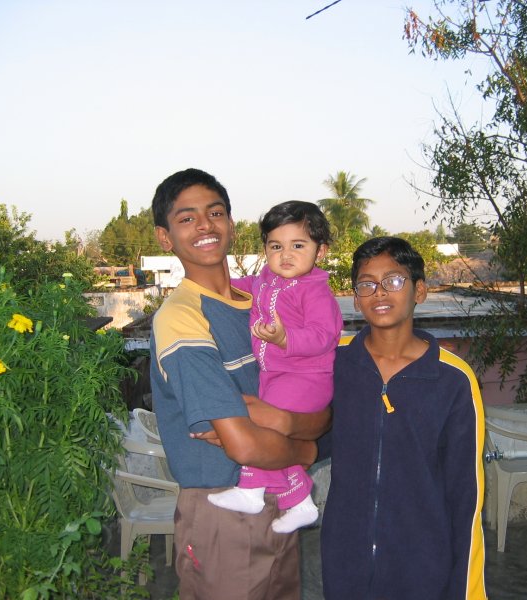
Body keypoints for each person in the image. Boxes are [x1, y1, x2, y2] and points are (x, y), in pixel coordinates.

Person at [149, 168, 330, 600]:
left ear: (231, 224)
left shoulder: (264, 304)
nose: (204, 225)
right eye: (187, 218)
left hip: (280, 504)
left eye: (215, 213)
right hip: (223, 509)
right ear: (165, 237)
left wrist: (282, 420)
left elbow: (322, 406)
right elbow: (244, 445)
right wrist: (307, 450)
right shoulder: (182, 317)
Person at [320, 236, 488, 600]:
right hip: (345, 560)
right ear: (356, 297)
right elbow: (308, 436)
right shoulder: (334, 363)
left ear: (420, 291)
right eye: (366, 284)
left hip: (422, 566)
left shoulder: (452, 379)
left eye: (394, 280)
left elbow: (466, 496)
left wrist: (466, 591)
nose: (379, 292)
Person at [207, 201, 343, 533]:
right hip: (275, 375)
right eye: (276, 246)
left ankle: (254, 490)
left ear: (320, 251)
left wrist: (285, 338)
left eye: (298, 246)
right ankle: (297, 501)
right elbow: (245, 286)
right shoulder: (266, 279)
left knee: (266, 428)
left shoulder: (315, 291)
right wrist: (216, 284)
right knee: (273, 435)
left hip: (306, 378)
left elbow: (324, 335)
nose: (286, 255)